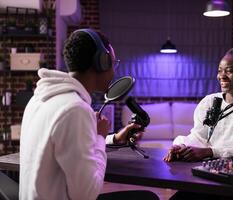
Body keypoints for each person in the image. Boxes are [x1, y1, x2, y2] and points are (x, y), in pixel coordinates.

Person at [19, 29, 158, 200]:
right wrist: (99, 137)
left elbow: (69, 146)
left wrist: (112, 139)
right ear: (102, 62)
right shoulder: (74, 109)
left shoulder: (40, 100)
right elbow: (87, 194)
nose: (114, 72)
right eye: (113, 64)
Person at [164, 44, 233, 163]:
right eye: (220, 71)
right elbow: (199, 136)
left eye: (229, 71)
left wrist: (209, 152)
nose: (222, 76)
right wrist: (182, 147)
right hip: (208, 166)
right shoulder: (209, 101)